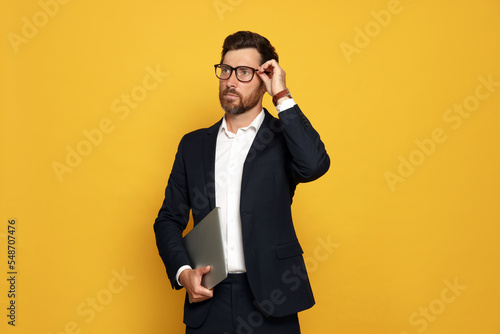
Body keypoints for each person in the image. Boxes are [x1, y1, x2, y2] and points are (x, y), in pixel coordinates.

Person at [154, 31, 330, 334]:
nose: (231, 81)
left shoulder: (283, 139)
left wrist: (282, 95)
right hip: (210, 300)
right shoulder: (193, 145)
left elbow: (314, 164)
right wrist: (184, 273)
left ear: (264, 78)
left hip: (273, 297)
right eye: (225, 70)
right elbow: (168, 219)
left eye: (244, 72)